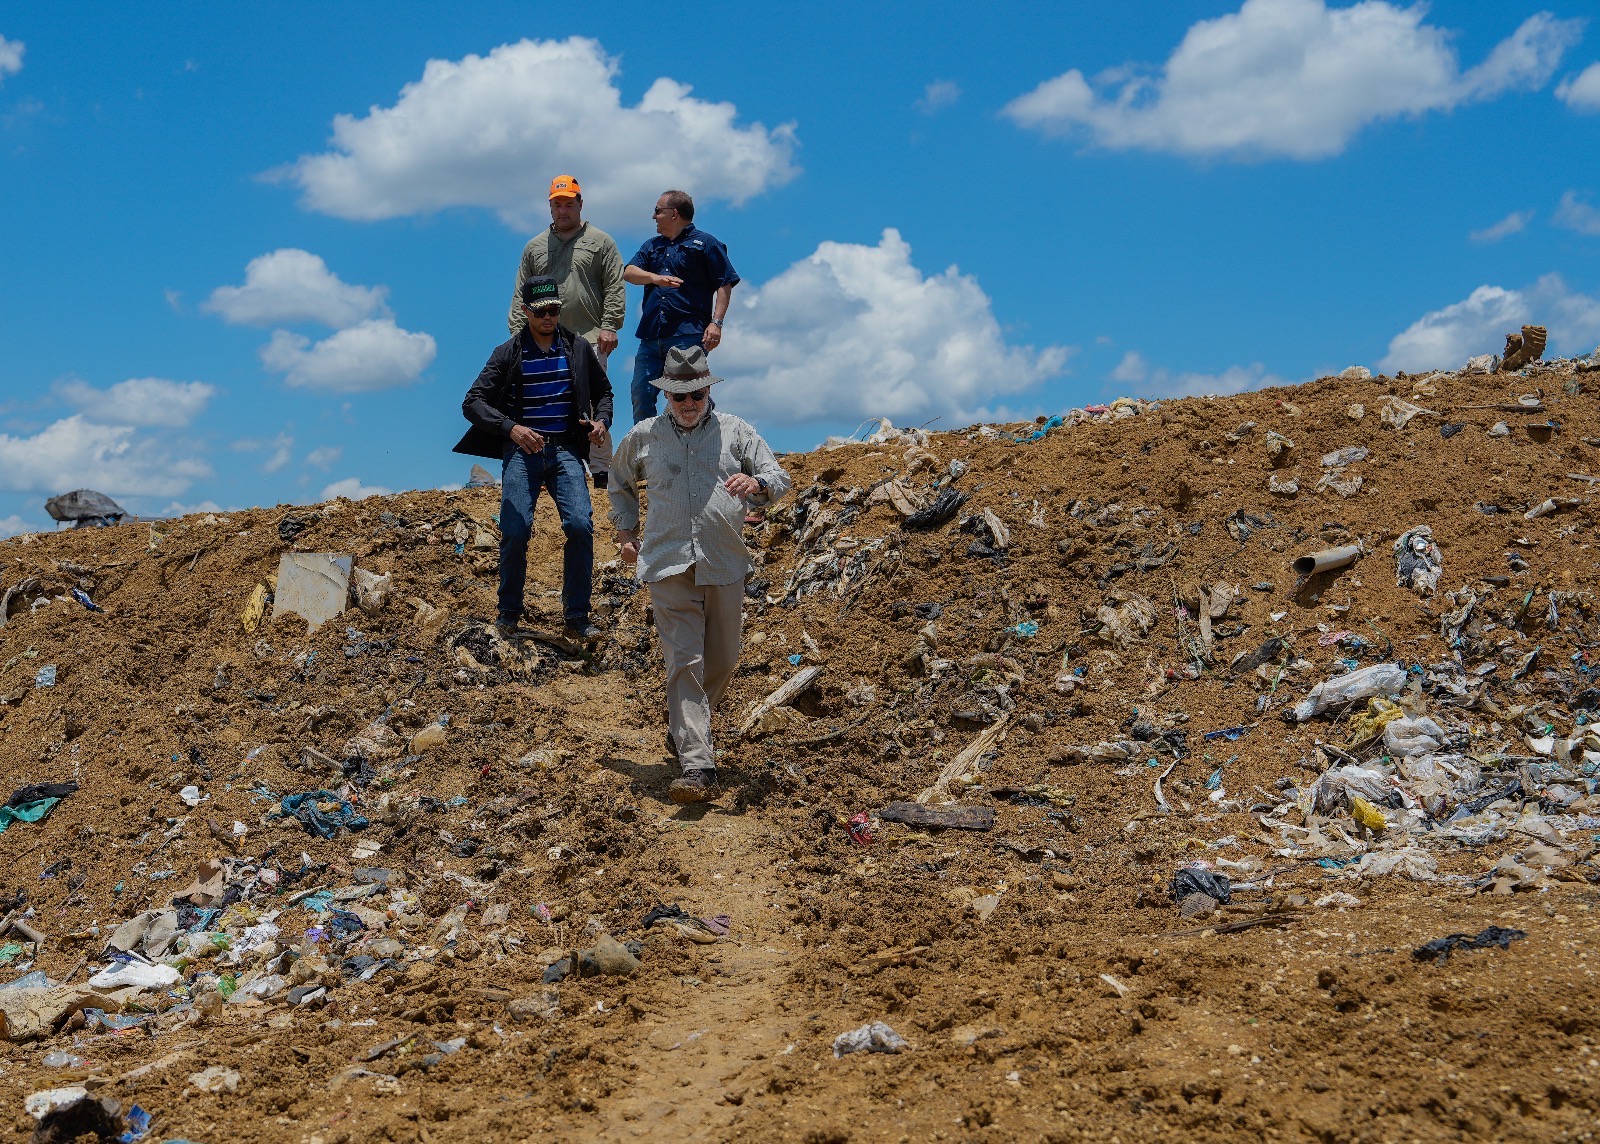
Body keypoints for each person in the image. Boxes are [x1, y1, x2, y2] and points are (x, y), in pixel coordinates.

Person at [608, 345, 789, 804]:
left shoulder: (736, 432)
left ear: (708, 390)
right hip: (668, 563)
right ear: (666, 395)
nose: (689, 405)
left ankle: (685, 725)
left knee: (724, 658)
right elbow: (619, 480)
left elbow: (777, 475)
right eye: (679, 397)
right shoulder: (644, 436)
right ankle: (697, 764)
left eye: (697, 395)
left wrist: (758, 485)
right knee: (684, 660)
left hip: (724, 561)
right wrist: (625, 530)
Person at [456, 275, 613, 641]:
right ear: (525, 311)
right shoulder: (508, 352)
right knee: (514, 530)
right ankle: (508, 612)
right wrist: (511, 428)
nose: (548, 317)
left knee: (580, 525)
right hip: (521, 451)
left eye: (554, 310)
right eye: (540, 311)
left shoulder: (576, 348)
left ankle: (576, 615)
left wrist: (602, 421)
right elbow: (472, 402)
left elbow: (605, 392)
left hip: (566, 450)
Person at [508, 175, 626, 488]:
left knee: (593, 404)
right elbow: (522, 293)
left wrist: (610, 325)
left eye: (569, 204)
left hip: (588, 338)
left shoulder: (601, 242)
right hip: (543, 341)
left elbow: (614, 285)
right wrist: (517, 338)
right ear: (550, 206)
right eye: (557, 204)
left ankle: (600, 470)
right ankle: (544, 466)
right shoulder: (534, 247)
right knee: (543, 403)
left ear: (580, 204)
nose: (563, 210)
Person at [623, 189, 739, 426]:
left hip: (688, 334)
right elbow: (629, 273)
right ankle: (646, 448)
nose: (653, 216)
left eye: (657, 211)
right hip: (651, 335)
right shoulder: (651, 245)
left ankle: (699, 441)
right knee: (641, 393)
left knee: (689, 394)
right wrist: (656, 278)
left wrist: (716, 323)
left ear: (674, 213)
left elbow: (724, 283)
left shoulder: (706, 243)